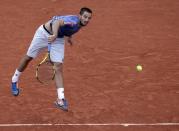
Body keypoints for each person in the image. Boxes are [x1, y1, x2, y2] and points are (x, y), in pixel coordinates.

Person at [11, 7, 92, 111]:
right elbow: (56, 22)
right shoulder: (73, 21)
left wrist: (69, 38)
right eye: (85, 17)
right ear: (80, 15)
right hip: (43, 33)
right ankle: (14, 79)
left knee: (58, 67)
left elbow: (68, 29)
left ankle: (61, 99)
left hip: (58, 39)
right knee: (28, 58)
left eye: (89, 18)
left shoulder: (79, 25)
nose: (86, 20)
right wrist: (54, 34)